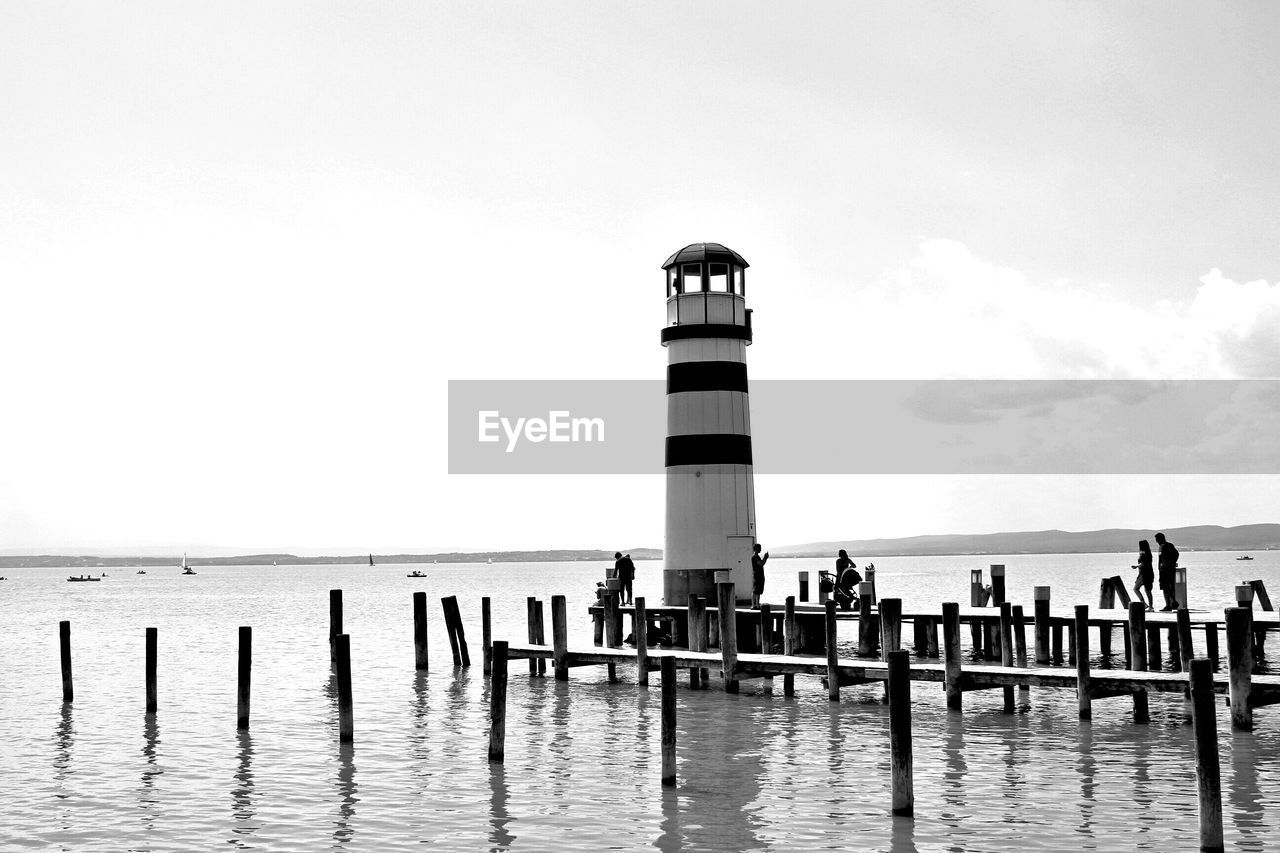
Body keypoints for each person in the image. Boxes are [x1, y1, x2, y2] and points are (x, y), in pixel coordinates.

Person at [1155, 532, 1180, 610]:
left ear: (1161, 539)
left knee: (1166, 587)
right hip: (1167, 570)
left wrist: (1169, 564)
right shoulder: (1166, 546)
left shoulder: (1165, 546)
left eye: (1157, 540)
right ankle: (1171, 603)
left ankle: (1169, 605)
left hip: (1166, 570)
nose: (1156, 541)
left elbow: (1176, 554)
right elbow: (1176, 554)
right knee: (1168, 587)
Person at [1133, 539, 1155, 611]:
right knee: (1148, 590)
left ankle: (1144, 604)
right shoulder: (1149, 552)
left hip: (1144, 573)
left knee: (1136, 588)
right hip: (1149, 573)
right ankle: (1150, 606)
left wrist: (1136, 566)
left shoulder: (1143, 553)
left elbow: (1143, 563)